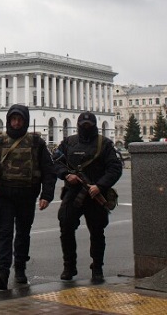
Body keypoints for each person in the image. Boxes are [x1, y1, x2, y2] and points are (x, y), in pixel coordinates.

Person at [0, 104, 56, 290]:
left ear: (25, 120)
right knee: (4, 233)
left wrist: (47, 195)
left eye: (20, 119)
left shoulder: (37, 143)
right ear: (8, 120)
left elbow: (48, 170)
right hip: (3, 196)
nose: (16, 122)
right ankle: (2, 271)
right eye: (13, 119)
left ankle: (20, 268)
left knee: (22, 233)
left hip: (27, 196)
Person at [53, 111, 123, 282]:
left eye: (88, 126)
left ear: (93, 126)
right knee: (66, 227)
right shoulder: (69, 142)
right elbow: (55, 161)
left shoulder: (104, 144)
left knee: (97, 232)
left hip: (95, 194)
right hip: (73, 193)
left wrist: (100, 185)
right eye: (83, 125)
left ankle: (97, 267)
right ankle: (69, 266)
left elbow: (115, 168)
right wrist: (65, 175)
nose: (85, 128)